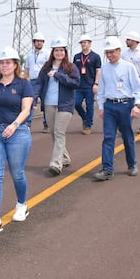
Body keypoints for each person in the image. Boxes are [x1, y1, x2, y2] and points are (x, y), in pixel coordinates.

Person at [0, 46, 34, 237]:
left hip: (17, 133)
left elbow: (26, 109)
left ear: (15, 65)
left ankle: (22, 204)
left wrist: (14, 125)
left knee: (17, 173)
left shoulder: (23, 84)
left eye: (8, 62)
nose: (4, 66)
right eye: (2, 63)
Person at [93, 36, 140, 181]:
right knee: (108, 137)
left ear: (119, 50)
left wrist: (137, 105)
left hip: (125, 106)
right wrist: (101, 107)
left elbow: (138, 89)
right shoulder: (105, 68)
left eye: (112, 52)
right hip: (109, 106)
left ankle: (132, 164)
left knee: (127, 136)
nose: (109, 55)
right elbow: (101, 90)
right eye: (107, 53)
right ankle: (107, 169)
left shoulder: (129, 67)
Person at [32, 36, 80, 176]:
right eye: (56, 50)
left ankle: (55, 164)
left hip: (65, 105)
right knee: (53, 133)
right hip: (49, 104)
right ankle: (64, 157)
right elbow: (39, 85)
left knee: (59, 132)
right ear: (52, 52)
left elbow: (76, 83)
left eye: (61, 50)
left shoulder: (71, 67)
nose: (59, 53)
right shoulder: (46, 68)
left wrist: (59, 76)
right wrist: (34, 100)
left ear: (65, 52)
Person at [122, 31, 140, 134]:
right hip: (127, 81)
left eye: (128, 39)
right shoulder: (124, 54)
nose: (126, 41)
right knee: (127, 102)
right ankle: (125, 125)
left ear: (133, 41)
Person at [72, 34, 102, 135]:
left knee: (90, 106)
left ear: (89, 44)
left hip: (90, 85)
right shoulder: (76, 57)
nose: (83, 44)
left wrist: (96, 84)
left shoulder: (96, 57)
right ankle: (85, 118)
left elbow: (98, 71)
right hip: (78, 86)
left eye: (85, 42)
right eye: (82, 43)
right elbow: (73, 71)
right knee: (76, 103)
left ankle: (88, 125)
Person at [24, 31, 50, 133]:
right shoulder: (29, 54)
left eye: (41, 41)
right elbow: (26, 68)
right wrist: (25, 80)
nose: (39, 43)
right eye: (37, 41)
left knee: (45, 103)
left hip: (44, 81)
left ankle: (47, 124)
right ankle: (27, 124)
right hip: (32, 81)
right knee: (30, 103)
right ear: (34, 42)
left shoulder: (47, 53)